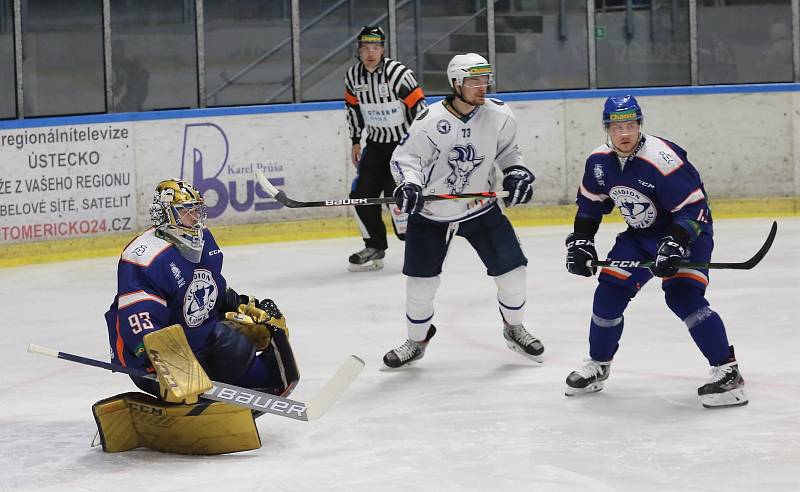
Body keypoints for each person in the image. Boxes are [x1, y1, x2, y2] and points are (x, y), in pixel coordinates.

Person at [563, 95, 747, 409]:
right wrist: (581, 240)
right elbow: (591, 206)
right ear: (607, 127)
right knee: (608, 293)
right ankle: (598, 364)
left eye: (631, 125)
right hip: (641, 236)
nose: (625, 133)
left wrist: (676, 243)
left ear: (639, 125)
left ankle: (728, 371)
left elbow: (694, 209)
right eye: (618, 126)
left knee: (683, 295)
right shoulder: (598, 162)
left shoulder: (662, 158)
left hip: (687, 233)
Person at [97, 178, 300, 453]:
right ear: (165, 214)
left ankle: (208, 395)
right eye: (186, 211)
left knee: (251, 357)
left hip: (199, 343)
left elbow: (212, 288)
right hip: (154, 362)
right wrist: (163, 364)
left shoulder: (205, 241)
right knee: (179, 366)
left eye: (197, 210)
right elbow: (139, 324)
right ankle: (179, 400)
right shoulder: (143, 257)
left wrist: (244, 306)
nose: (194, 217)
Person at [381, 53, 543, 369]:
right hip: (432, 213)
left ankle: (514, 327)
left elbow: (510, 152)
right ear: (456, 83)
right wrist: (411, 184)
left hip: (481, 209)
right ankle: (416, 341)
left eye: (485, 79)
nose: (482, 86)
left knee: (513, 273)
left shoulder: (499, 115)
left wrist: (517, 172)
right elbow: (405, 159)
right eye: (474, 81)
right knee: (420, 286)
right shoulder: (429, 120)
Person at [344, 25, 426, 272]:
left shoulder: (398, 74)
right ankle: (375, 246)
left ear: (383, 50)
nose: (371, 52)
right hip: (376, 146)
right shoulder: (352, 77)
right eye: (366, 48)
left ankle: (419, 245)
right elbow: (353, 110)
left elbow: (420, 109)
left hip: (403, 146)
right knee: (360, 196)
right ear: (358, 50)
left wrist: (420, 144)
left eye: (376, 47)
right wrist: (356, 140)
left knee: (399, 198)